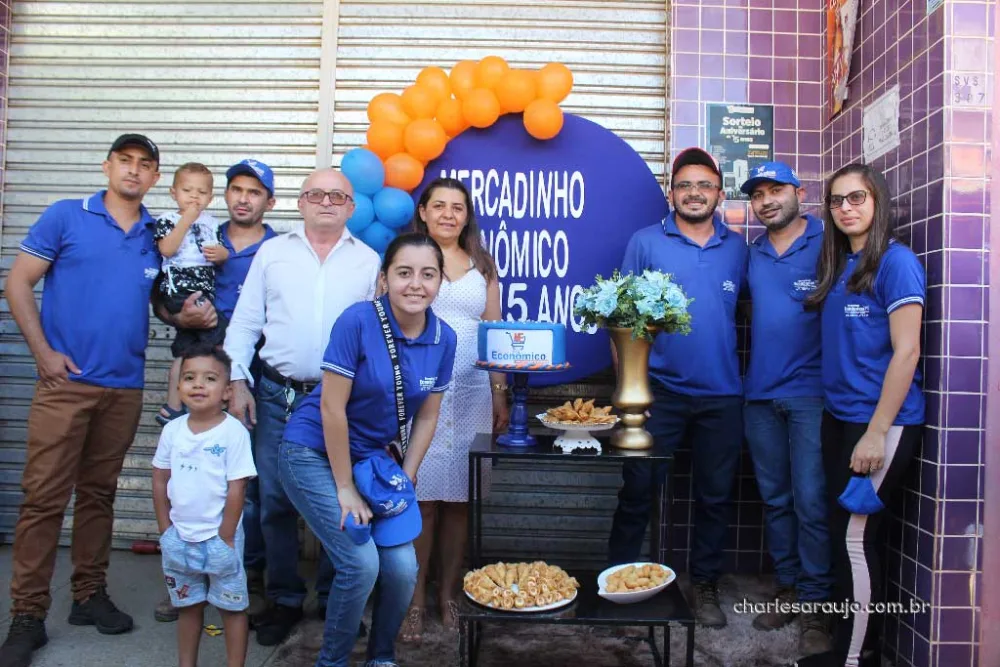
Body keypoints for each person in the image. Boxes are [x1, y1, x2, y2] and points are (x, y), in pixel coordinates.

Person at [0, 133, 162, 666]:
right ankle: (27, 615)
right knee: (44, 498)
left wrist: (190, 315)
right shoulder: (66, 216)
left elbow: (163, 300)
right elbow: (19, 283)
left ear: (155, 177)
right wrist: (43, 353)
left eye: (145, 165)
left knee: (99, 494)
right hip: (64, 385)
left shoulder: (154, 234)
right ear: (107, 166)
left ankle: (88, 596)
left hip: (124, 387)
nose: (134, 172)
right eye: (125, 161)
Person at [278, 232, 457, 667]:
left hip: (373, 463)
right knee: (360, 565)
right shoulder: (358, 321)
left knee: (401, 570)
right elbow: (331, 408)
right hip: (313, 452)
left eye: (428, 274)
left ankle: (381, 657)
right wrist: (344, 488)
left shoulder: (444, 339)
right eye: (404, 273)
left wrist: (408, 477)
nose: (416, 284)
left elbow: (427, 417)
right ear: (384, 279)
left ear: (439, 282)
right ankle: (333, 661)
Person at [223, 167, 381, 646]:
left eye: (338, 196)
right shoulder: (273, 253)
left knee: (342, 496)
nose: (327, 202)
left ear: (352, 207)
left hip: (341, 401)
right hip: (275, 393)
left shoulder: (369, 261)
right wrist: (237, 380)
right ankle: (284, 599)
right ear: (301, 202)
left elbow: (378, 336)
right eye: (317, 194)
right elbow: (246, 321)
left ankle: (337, 598)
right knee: (273, 500)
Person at [608, 147, 748, 628]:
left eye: (704, 185)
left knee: (714, 496)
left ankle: (704, 584)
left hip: (723, 397)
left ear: (719, 194)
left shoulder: (738, 249)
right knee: (638, 491)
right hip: (659, 395)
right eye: (685, 185)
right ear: (671, 193)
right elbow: (621, 322)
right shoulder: (645, 242)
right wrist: (630, 389)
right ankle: (619, 582)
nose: (694, 193)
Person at [801, 163, 924, 667]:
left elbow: (908, 352)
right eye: (836, 201)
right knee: (842, 533)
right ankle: (848, 644)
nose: (846, 208)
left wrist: (875, 434)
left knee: (855, 540)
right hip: (840, 418)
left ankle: (855, 658)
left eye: (857, 198)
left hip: (881, 425)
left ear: (878, 202)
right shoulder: (841, 265)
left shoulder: (897, 263)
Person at [153, 158, 278, 624]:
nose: (244, 198)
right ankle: (184, 578)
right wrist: (177, 318)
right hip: (204, 371)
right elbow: (159, 288)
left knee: (252, 481)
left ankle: (247, 577)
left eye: (255, 191)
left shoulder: (280, 247)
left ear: (270, 200)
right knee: (189, 474)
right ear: (224, 195)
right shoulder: (201, 231)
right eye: (237, 190)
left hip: (257, 375)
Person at [400, 177, 509, 641]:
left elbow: (493, 329)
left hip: (471, 394)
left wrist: (500, 392)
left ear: (467, 216)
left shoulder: (482, 264)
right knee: (421, 501)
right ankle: (414, 600)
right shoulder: (407, 258)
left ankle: (449, 594)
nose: (448, 214)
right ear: (422, 211)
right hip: (421, 393)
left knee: (461, 503)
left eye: (457, 207)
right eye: (438, 205)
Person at [740, 162, 833, 655]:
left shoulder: (828, 242)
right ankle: (790, 587)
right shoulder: (751, 252)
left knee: (811, 501)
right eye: (758, 195)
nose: (767, 200)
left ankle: (818, 604)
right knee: (775, 500)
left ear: (800, 192)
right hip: (758, 395)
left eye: (776, 190)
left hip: (811, 395)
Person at [152, 347, 257, 667]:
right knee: (188, 606)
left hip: (218, 540)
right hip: (179, 539)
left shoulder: (233, 432)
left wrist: (226, 537)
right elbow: (159, 480)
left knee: (232, 608)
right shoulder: (172, 431)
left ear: (226, 392)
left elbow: (237, 486)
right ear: (179, 386)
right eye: (189, 378)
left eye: (209, 379)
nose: (198, 385)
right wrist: (165, 531)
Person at [154, 162, 230, 425]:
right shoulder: (167, 220)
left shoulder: (212, 223)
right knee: (220, 334)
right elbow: (166, 249)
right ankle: (220, 397)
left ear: (211, 197)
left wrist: (223, 255)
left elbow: (219, 257)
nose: (194, 197)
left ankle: (172, 408)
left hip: (203, 290)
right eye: (187, 190)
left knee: (185, 350)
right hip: (181, 289)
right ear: (174, 193)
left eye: (201, 192)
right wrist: (186, 220)